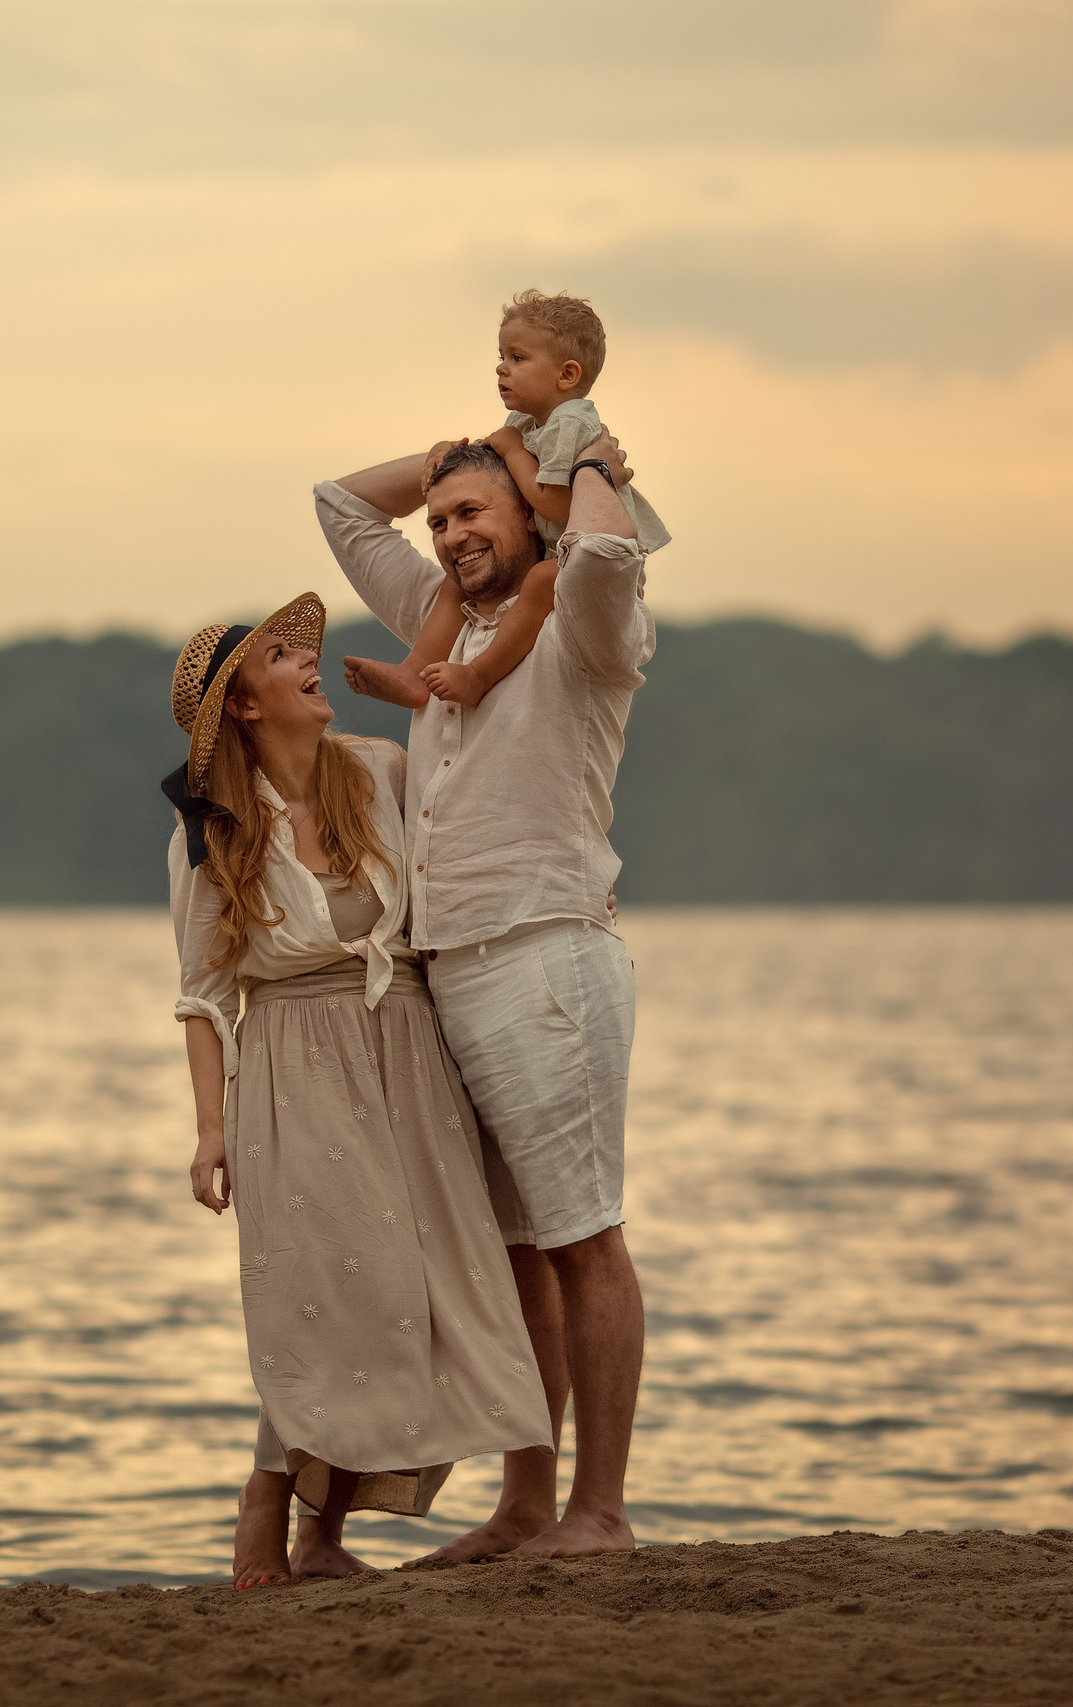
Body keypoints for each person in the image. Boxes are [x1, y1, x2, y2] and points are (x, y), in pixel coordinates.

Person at [163, 592, 556, 1588]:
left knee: (404, 1297)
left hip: (408, 1052)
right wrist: (207, 1133)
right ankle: (267, 1493)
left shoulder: (379, 773)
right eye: (283, 656)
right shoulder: (211, 835)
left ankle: (319, 1535)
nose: (311, 662)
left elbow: (481, 827)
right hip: (293, 1067)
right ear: (244, 705)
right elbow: (204, 1000)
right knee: (330, 1300)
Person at [319, 424, 653, 1561]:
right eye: (442, 522)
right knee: (516, 1248)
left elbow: (606, 559)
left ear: (529, 518)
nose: (453, 534)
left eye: (476, 517)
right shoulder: (444, 624)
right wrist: (473, 453)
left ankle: (597, 1513)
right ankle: (523, 1506)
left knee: (580, 1237)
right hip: (453, 966)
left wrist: (578, 467)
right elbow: (338, 505)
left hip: (545, 953)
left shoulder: (578, 622)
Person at [344, 291, 669, 713]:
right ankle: (414, 670)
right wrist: (447, 451)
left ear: (567, 374)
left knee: (537, 583)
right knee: (455, 584)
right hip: (551, 553)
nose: (502, 368)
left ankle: (478, 675)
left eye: (518, 358)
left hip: (585, 563)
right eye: (501, 356)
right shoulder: (525, 421)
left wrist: (514, 451)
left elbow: (554, 507)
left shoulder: (572, 422)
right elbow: (494, 470)